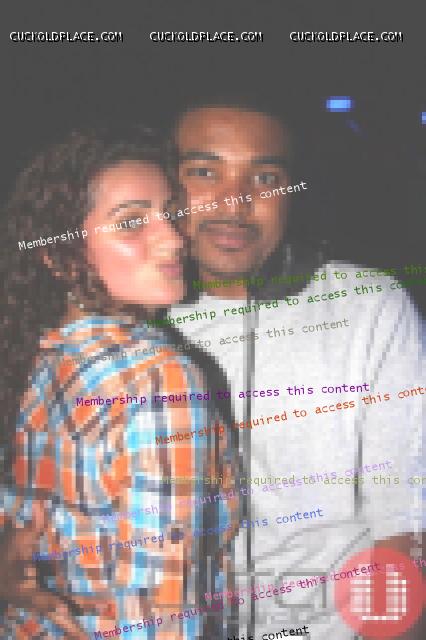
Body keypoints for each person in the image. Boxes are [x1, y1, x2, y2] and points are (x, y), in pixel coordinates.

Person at [167, 99, 425, 638]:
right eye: (205, 172)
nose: (236, 202)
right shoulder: (121, 319)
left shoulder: (367, 305)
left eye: (264, 178)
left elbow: (400, 515)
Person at [0, 126, 239, 639]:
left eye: (170, 213)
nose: (174, 238)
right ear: (60, 256)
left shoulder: (41, 358)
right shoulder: (160, 377)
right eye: (131, 223)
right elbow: (159, 614)